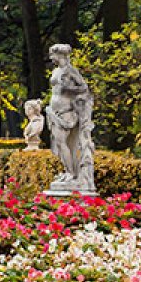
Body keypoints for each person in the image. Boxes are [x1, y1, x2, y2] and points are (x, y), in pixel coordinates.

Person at [44, 44, 95, 191]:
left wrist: (69, 88)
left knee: (62, 142)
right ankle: (68, 172)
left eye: (52, 55)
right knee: (60, 144)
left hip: (66, 111)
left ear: (61, 56)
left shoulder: (71, 71)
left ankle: (71, 173)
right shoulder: (56, 71)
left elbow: (84, 88)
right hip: (55, 111)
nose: (51, 58)